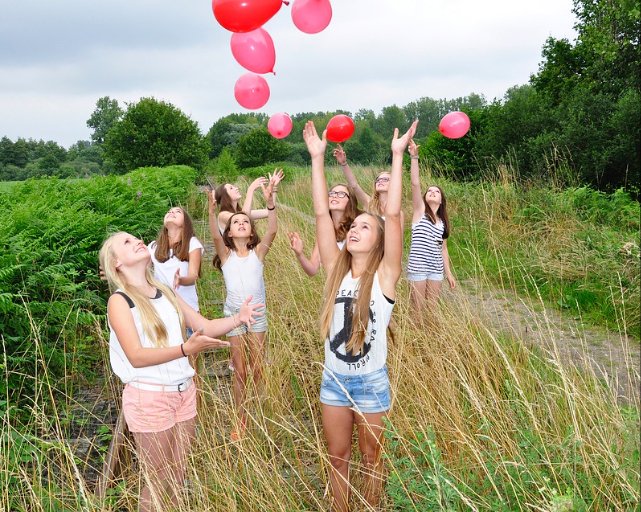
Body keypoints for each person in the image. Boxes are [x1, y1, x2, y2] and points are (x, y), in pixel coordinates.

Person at [100, 231, 262, 512]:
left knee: (178, 475)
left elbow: (205, 325)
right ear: (116, 263)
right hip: (149, 398)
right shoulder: (120, 301)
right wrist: (185, 349)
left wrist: (238, 318)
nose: (137, 241)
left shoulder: (165, 291)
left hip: (184, 394)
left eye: (136, 238)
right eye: (127, 242)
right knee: (157, 481)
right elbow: (136, 356)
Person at [304, 119, 418, 512]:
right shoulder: (335, 271)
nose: (354, 229)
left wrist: (397, 156)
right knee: (338, 458)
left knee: (372, 460)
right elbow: (322, 215)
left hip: (371, 383)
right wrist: (317, 159)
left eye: (365, 227)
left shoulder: (386, 276)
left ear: (380, 241)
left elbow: (395, 215)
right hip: (334, 381)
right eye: (353, 225)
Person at [208, 175, 278, 441]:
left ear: (250, 232)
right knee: (240, 370)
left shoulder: (258, 253)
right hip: (234, 318)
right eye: (236, 222)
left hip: (257, 316)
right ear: (229, 232)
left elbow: (272, 230)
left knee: (258, 368)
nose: (240, 223)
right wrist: (211, 213)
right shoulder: (226, 256)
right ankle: (240, 418)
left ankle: (257, 412)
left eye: (245, 222)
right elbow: (214, 235)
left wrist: (270, 204)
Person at [406, 138, 456, 310]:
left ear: (441, 200)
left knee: (432, 310)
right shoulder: (420, 212)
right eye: (429, 191)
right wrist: (414, 157)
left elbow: (443, 249)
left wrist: (448, 273)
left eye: (437, 191)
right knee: (418, 309)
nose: (432, 192)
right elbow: (415, 184)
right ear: (425, 197)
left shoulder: (443, 223)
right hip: (418, 268)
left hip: (436, 269)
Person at [287, 183, 360, 276]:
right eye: (332, 193)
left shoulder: (356, 228)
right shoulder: (324, 232)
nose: (335, 196)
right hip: (333, 284)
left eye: (341, 194)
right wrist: (299, 254)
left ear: (351, 201)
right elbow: (312, 270)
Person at [148, 207, 203, 320]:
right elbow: (144, 272)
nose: (171, 212)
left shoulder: (192, 243)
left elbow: (193, 276)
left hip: (188, 309)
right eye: (169, 211)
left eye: (178, 212)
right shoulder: (153, 246)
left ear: (185, 223)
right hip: (162, 309)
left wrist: (181, 280)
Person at [333, 145, 400, 221]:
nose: (380, 181)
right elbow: (354, 185)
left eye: (385, 179)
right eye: (378, 179)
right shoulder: (370, 204)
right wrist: (344, 163)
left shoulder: (397, 210)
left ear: (394, 184)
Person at [214, 171, 284, 234]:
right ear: (225, 196)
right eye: (231, 188)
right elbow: (243, 217)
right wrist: (250, 189)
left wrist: (273, 188)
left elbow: (268, 212)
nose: (236, 188)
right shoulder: (223, 215)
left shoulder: (239, 212)